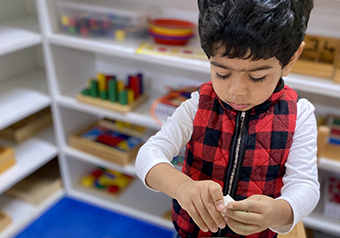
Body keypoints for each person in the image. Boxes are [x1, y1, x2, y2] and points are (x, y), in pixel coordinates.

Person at [135, 0, 320, 237]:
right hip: (193, 231)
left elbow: (305, 185)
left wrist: (278, 212)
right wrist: (182, 187)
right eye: (222, 73)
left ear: (291, 60)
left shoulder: (299, 115)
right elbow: (148, 154)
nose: (236, 90)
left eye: (257, 76)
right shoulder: (198, 105)